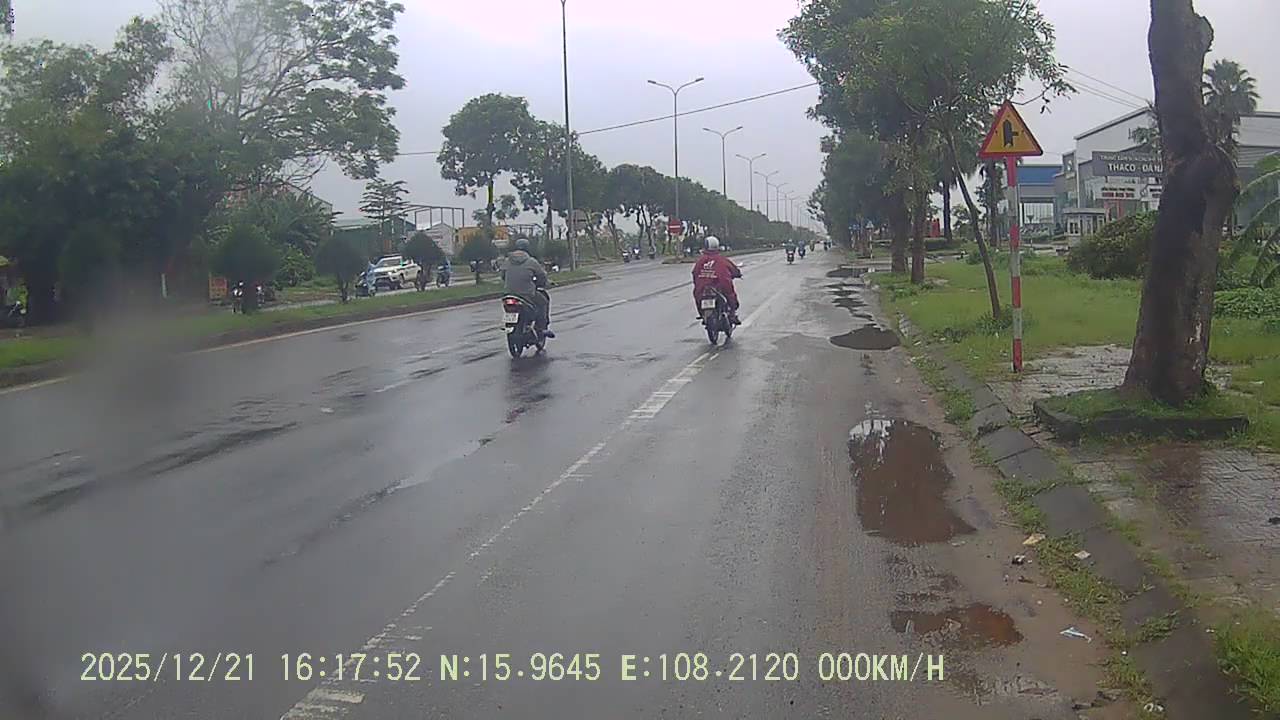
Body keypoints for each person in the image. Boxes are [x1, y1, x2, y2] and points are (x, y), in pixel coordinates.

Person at [502, 238, 554, 337]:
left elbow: (503, 276)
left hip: (509, 294)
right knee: (543, 301)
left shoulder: (507, 261)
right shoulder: (531, 261)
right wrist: (543, 283)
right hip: (527, 295)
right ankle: (542, 328)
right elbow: (542, 276)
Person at [692, 236, 742, 324]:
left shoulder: (700, 261)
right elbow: (733, 269)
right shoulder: (722, 260)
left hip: (703, 288)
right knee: (730, 295)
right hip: (720, 286)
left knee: (697, 295)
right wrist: (737, 273)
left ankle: (703, 315)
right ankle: (732, 315)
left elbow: (694, 273)